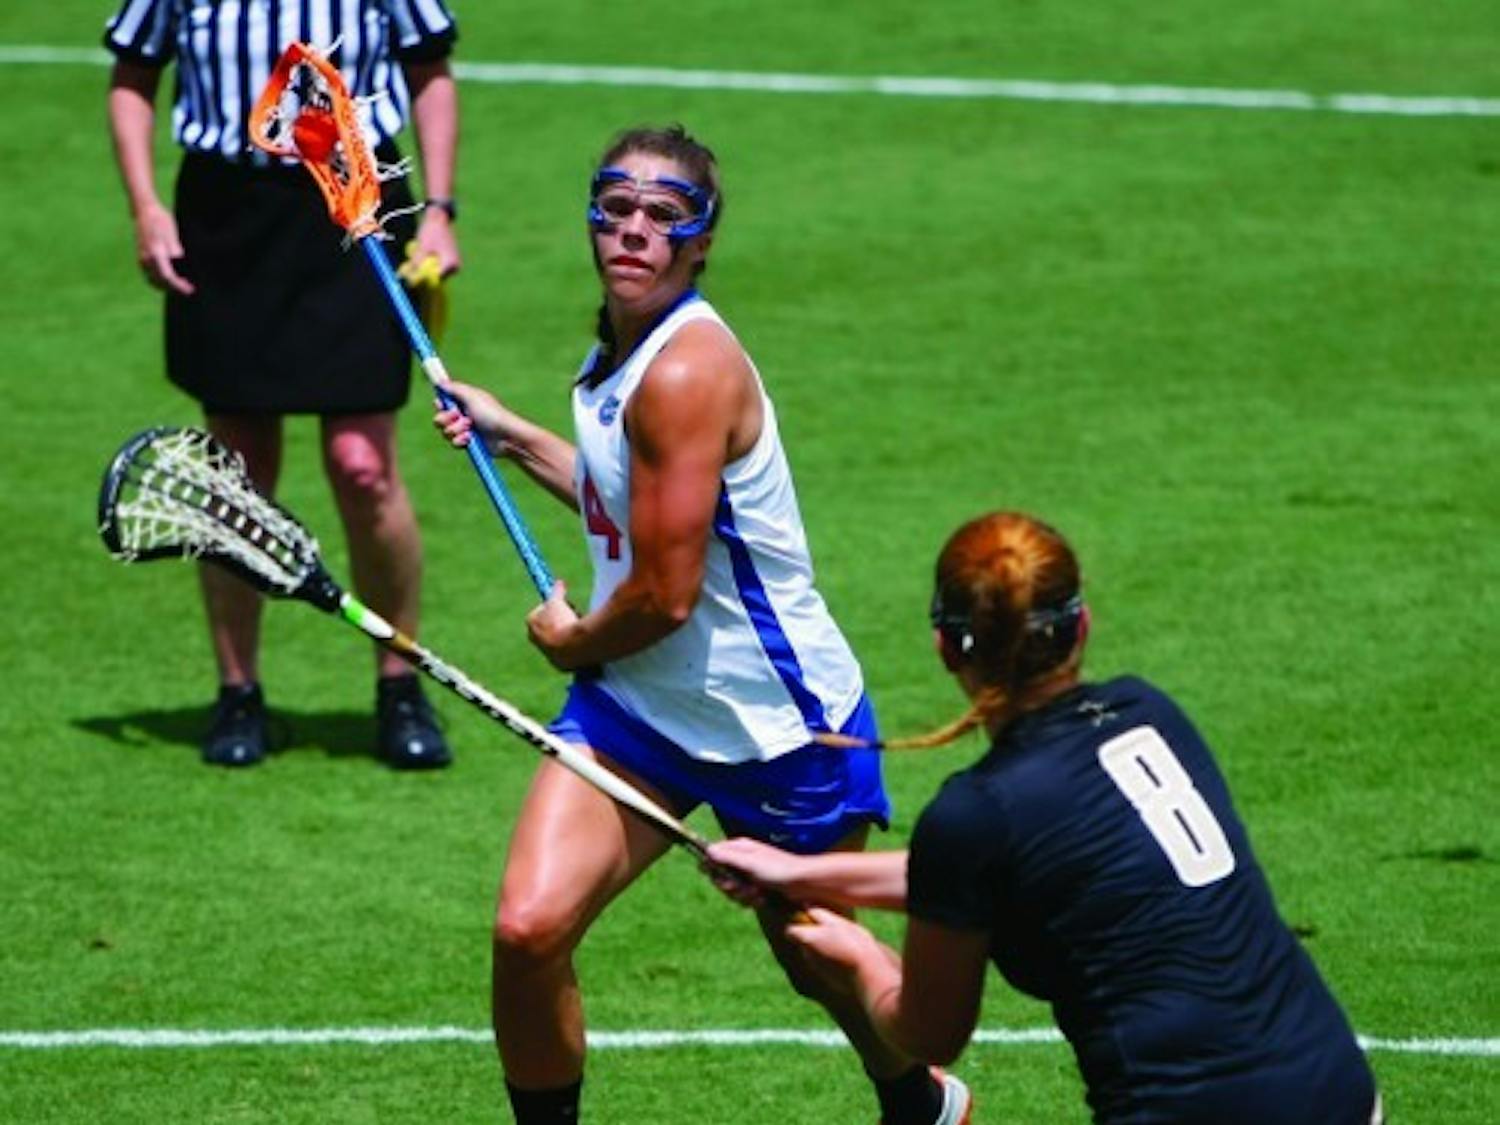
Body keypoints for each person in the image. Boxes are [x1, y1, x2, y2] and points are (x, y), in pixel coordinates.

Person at [433, 125, 970, 1125]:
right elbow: (625, 498)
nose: (634, 229)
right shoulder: (621, 351)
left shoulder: (685, 371)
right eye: (615, 205)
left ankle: (921, 1102)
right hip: (642, 708)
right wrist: (513, 436)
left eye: (664, 214)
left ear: (702, 240)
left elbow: (663, 596)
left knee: (812, 953)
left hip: (777, 720)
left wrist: (565, 642)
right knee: (526, 930)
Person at [708, 511, 1384, 1125]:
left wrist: (858, 958)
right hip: (1341, 1089)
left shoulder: (976, 814)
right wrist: (801, 870)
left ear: (946, 649)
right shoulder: (1150, 715)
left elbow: (931, 1034)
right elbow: (1008, 866)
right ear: (1080, 627)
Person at [104, 0, 462, 769]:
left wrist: (438, 209)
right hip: (230, 214)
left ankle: (400, 681)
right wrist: (144, 206)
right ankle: (239, 692)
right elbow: (132, 73)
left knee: (364, 466)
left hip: (357, 201)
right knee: (240, 468)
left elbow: (429, 65)